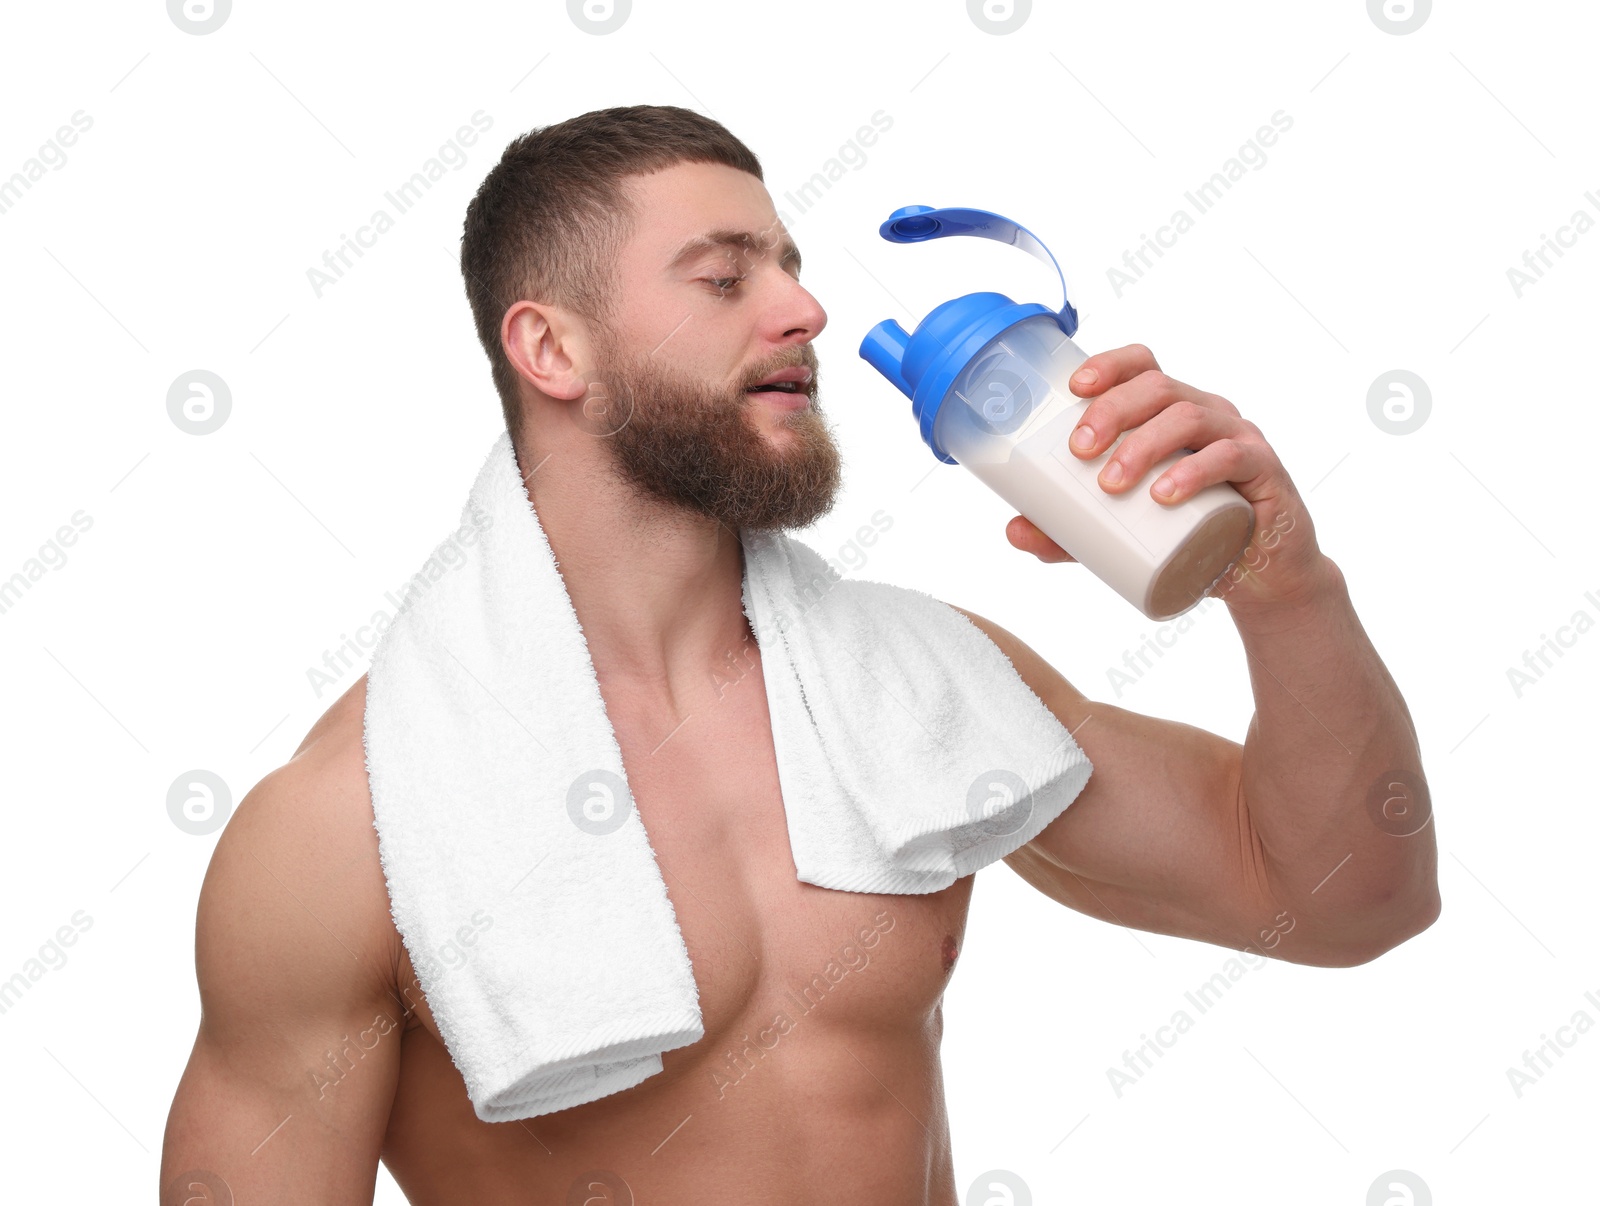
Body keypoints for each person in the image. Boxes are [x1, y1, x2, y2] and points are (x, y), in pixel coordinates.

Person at [159, 105, 1439, 1205]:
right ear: (552, 349)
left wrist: (1284, 590)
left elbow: (1345, 900)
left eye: (789, 267)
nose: (806, 310)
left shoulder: (926, 694)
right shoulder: (350, 829)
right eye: (725, 279)